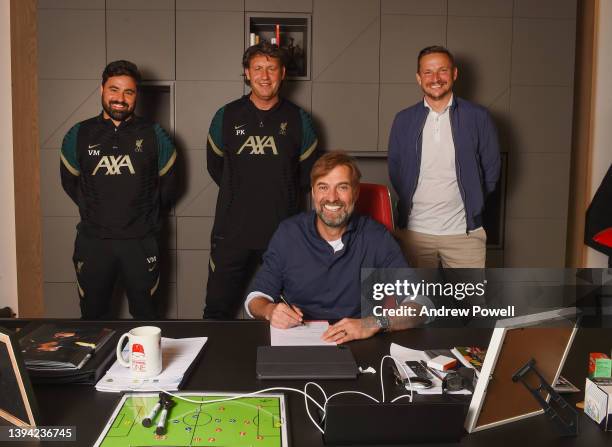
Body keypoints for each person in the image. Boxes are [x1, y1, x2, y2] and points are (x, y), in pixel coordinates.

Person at [245, 152, 429, 344]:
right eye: (323, 187)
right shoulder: (288, 233)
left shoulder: (377, 238)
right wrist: (270, 310)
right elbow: (255, 298)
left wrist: (372, 323)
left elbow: (420, 306)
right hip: (297, 338)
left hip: (358, 342)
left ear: (355, 193)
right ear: (314, 193)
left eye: (342, 187)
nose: (332, 198)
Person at [204, 42, 319, 319]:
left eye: (271, 69)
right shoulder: (226, 115)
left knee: (289, 313)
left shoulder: (299, 119)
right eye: (258, 68)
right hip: (232, 230)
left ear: (282, 74)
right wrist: (242, 192)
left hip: (283, 232)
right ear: (247, 73)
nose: (264, 76)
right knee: (217, 311)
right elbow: (216, 166)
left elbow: (308, 176)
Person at [60, 60, 177, 320]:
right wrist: (95, 210)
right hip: (94, 243)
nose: (120, 99)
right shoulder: (78, 134)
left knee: (146, 317)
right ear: (101, 89)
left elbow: (169, 186)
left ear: (137, 95)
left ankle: (143, 363)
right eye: (114, 89)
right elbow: (69, 182)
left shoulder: (155, 134)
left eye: (128, 92)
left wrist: (143, 216)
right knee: (92, 317)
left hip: (140, 242)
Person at [388, 46, 501, 268]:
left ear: (454, 74)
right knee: (416, 302)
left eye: (442, 71)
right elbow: (396, 170)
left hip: (464, 234)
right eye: (428, 72)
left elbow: (491, 169)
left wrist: (474, 202)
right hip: (414, 233)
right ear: (419, 78)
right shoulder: (403, 120)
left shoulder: (478, 117)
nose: (436, 79)